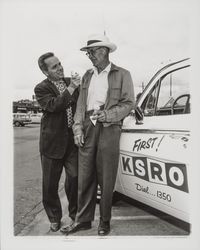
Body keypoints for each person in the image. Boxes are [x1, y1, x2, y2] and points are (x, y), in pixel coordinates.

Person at [63, 34, 135, 236]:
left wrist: (108, 114)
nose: (90, 56)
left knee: (106, 176)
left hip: (110, 126)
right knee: (84, 176)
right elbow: (80, 105)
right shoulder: (87, 75)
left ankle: (105, 221)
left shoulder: (123, 74)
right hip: (87, 125)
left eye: (92, 52)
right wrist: (77, 129)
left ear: (104, 51)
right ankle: (84, 221)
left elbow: (129, 103)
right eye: (88, 53)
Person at [34, 52, 80, 232]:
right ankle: (54, 217)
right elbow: (54, 106)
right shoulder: (41, 88)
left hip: (72, 140)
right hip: (52, 143)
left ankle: (75, 215)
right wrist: (71, 88)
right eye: (54, 66)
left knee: (75, 178)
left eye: (60, 63)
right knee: (50, 184)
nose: (60, 68)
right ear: (45, 72)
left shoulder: (71, 82)